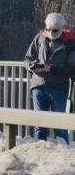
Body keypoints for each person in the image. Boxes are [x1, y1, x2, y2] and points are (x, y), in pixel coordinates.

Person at [24, 13, 72, 143]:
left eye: (55, 30)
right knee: (40, 124)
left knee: (60, 125)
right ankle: (40, 153)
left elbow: (71, 70)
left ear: (63, 28)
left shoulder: (70, 42)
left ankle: (64, 154)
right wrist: (30, 67)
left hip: (58, 87)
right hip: (38, 85)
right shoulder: (40, 37)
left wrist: (51, 69)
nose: (51, 32)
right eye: (48, 29)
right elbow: (27, 58)